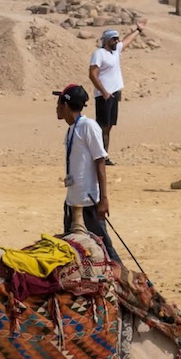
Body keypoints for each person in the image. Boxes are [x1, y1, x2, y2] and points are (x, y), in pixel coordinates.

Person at [54, 84, 118, 263]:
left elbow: (100, 161)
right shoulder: (72, 129)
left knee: (105, 250)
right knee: (73, 251)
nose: (56, 107)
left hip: (89, 201)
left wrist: (103, 199)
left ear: (65, 105)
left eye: (58, 103)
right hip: (72, 201)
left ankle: (124, 283)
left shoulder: (88, 126)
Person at [88, 28, 126, 163]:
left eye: (117, 38)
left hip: (114, 94)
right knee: (102, 127)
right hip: (103, 95)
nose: (117, 41)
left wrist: (138, 30)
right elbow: (92, 74)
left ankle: (104, 156)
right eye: (114, 39)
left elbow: (127, 41)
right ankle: (97, 157)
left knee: (108, 127)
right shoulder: (99, 54)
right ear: (107, 40)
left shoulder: (114, 53)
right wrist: (104, 92)